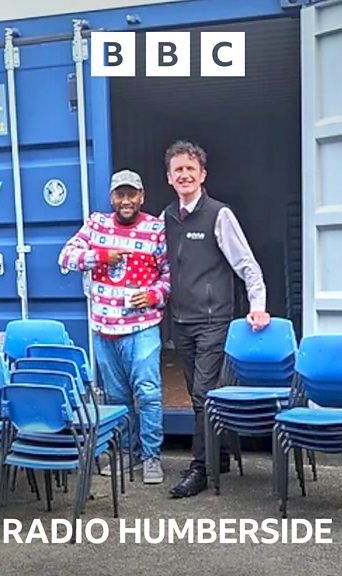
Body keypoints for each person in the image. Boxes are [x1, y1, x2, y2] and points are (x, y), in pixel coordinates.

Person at [161, 140, 270, 498]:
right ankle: (219, 454)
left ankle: (200, 470)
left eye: (191, 168)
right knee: (199, 395)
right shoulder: (166, 218)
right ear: (170, 178)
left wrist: (258, 304)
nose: (185, 175)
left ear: (202, 175)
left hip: (213, 320)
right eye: (179, 169)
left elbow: (246, 265)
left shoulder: (219, 215)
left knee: (204, 393)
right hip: (181, 321)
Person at [58, 169, 170, 484]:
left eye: (131, 194)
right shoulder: (96, 224)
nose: (125, 200)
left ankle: (151, 457)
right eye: (120, 194)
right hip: (104, 330)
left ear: (141, 197)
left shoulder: (155, 229)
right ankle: (127, 454)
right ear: (112, 198)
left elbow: (172, 275)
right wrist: (101, 256)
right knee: (116, 398)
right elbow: (65, 257)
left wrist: (152, 294)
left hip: (143, 328)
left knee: (148, 393)